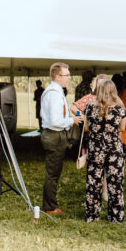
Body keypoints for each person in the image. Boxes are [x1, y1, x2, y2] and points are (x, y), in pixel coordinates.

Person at [41, 62, 84, 215]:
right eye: (67, 75)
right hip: (54, 135)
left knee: (54, 172)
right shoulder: (53, 93)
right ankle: (50, 207)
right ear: (58, 77)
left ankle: (50, 204)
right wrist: (73, 120)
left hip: (55, 134)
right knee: (53, 173)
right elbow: (55, 121)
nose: (69, 78)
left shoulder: (56, 91)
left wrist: (69, 118)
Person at [83, 80, 126, 223]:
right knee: (115, 182)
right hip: (114, 148)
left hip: (96, 147)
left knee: (93, 181)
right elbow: (121, 128)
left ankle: (92, 215)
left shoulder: (90, 106)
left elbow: (86, 128)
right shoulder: (121, 108)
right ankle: (115, 216)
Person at [112, 74, 126, 160]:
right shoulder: (124, 91)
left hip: (120, 117)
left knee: (121, 137)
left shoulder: (117, 93)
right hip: (125, 116)